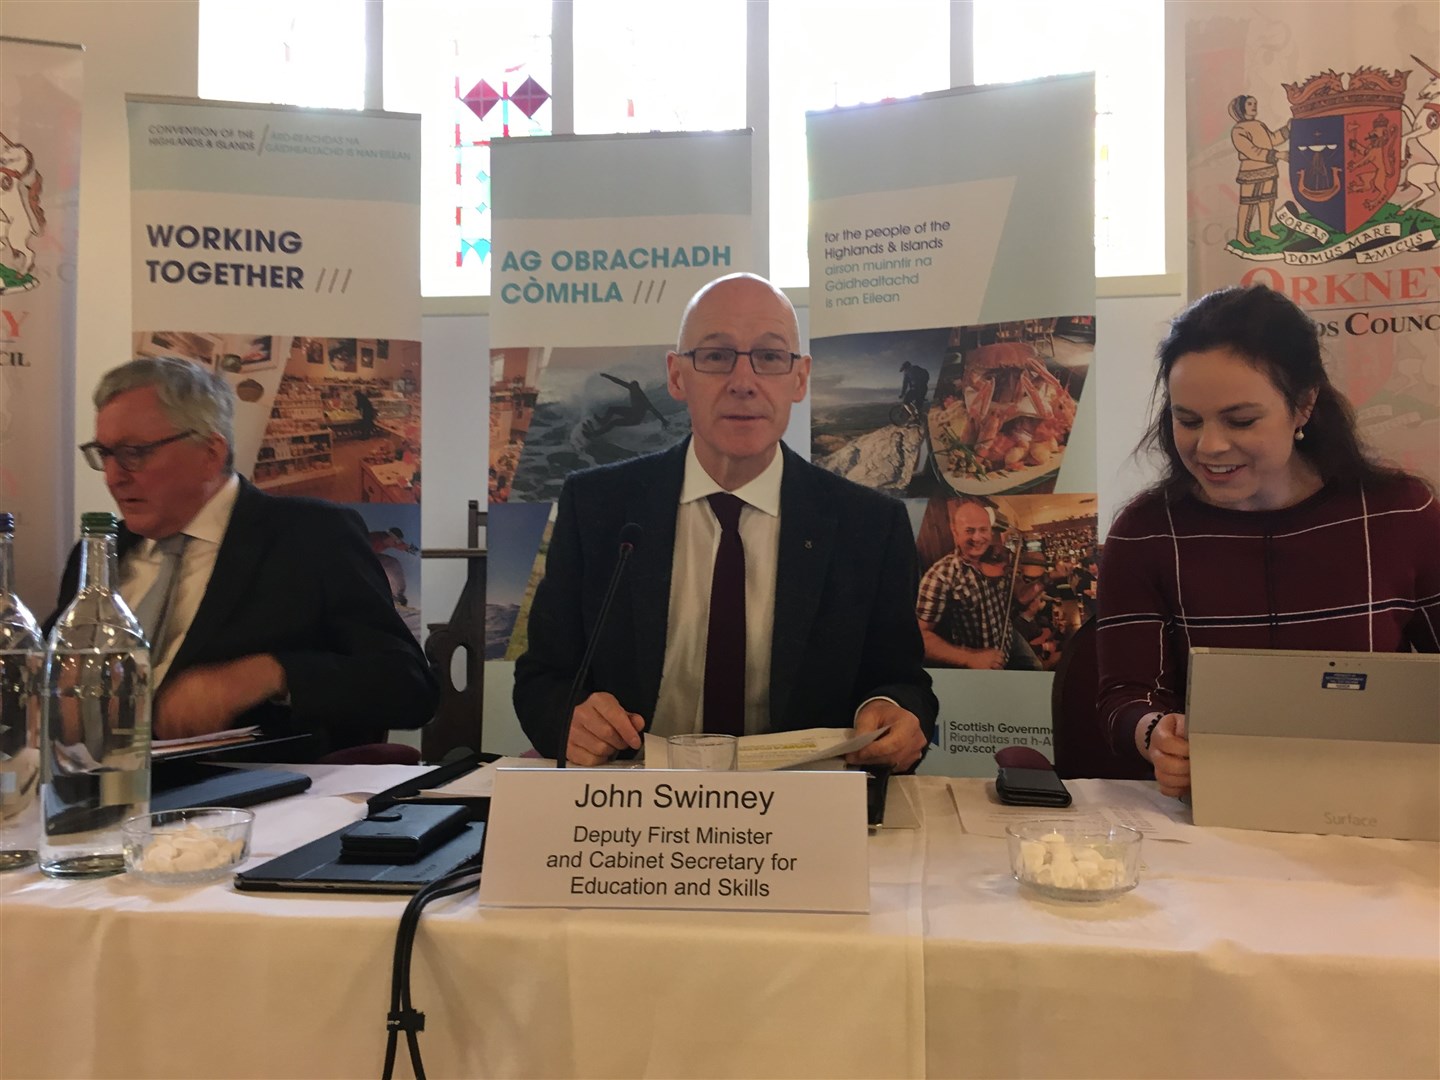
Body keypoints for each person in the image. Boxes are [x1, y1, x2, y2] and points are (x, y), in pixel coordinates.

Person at [513, 272, 937, 771]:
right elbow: (544, 676)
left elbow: (905, 683)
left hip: (804, 811)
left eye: (770, 357)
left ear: (799, 379)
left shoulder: (870, 524)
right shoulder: (598, 506)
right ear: (676, 376)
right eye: (715, 356)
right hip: (631, 813)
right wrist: (569, 720)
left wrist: (891, 714)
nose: (743, 382)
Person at [1097, 285, 1440, 796]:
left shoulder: (1399, 512)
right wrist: (1156, 735)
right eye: (1187, 420)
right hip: (1214, 814)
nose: (1209, 445)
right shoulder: (1146, 531)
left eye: (1241, 420)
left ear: (1304, 406)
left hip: (1371, 810)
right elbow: (1124, 695)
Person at [49, 358, 438, 757]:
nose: (112, 476)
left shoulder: (311, 537)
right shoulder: (98, 553)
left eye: (133, 453)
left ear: (210, 453)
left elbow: (409, 688)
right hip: (88, 793)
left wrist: (272, 673)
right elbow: (49, 676)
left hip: (251, 805)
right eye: (104, 454)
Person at [915, 498, 1041, 671]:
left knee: (1036, 669)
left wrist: (1044, 580)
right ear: (955, 531)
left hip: (1009, 637)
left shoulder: (1000, 561)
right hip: (978, 656)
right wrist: (969, 658)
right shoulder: (941, 574)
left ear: (990, 531)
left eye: (983, 530)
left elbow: (1020, 597)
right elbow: (918, 636)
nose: (977, 537)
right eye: (969, 530)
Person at [1228, 94, 1290, 248]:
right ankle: (1242, 235)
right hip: (1251, 171)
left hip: (1268, 169)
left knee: (1267, 200)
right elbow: (1251, 151)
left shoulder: (1259, 124)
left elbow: (1272, 140)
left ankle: (1265, 229)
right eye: (1249, 104)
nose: (1253, 106)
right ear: (1241, 107)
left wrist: (1287, 130)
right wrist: (1277, 155)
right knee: (1248, 203)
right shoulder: (1238, 129)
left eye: (1254, 103)